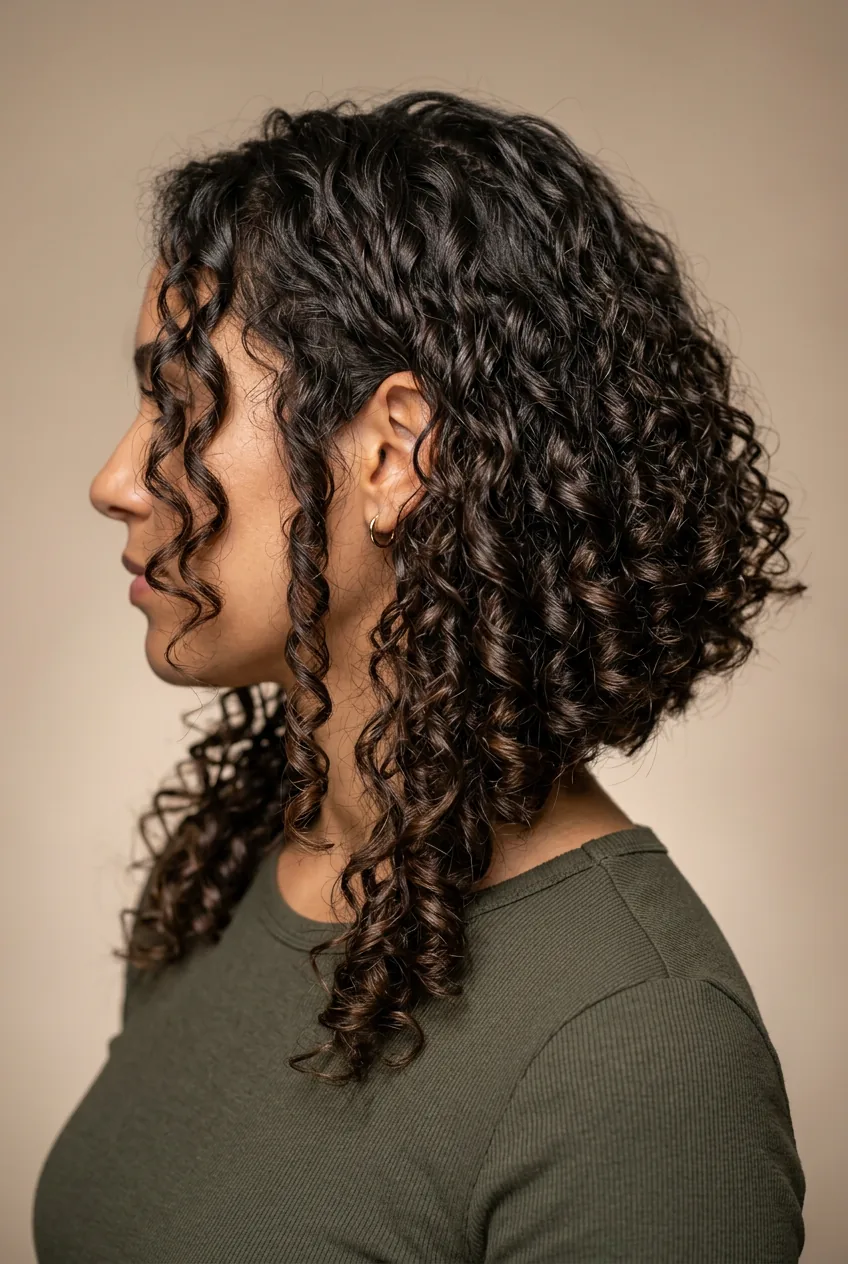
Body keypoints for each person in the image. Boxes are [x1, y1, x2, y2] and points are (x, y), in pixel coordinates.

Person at [32, 90, 807, 1262]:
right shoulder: (231, 868)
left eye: (178, 403)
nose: (114, 477)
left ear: (397, 452)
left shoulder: (638, 1051)